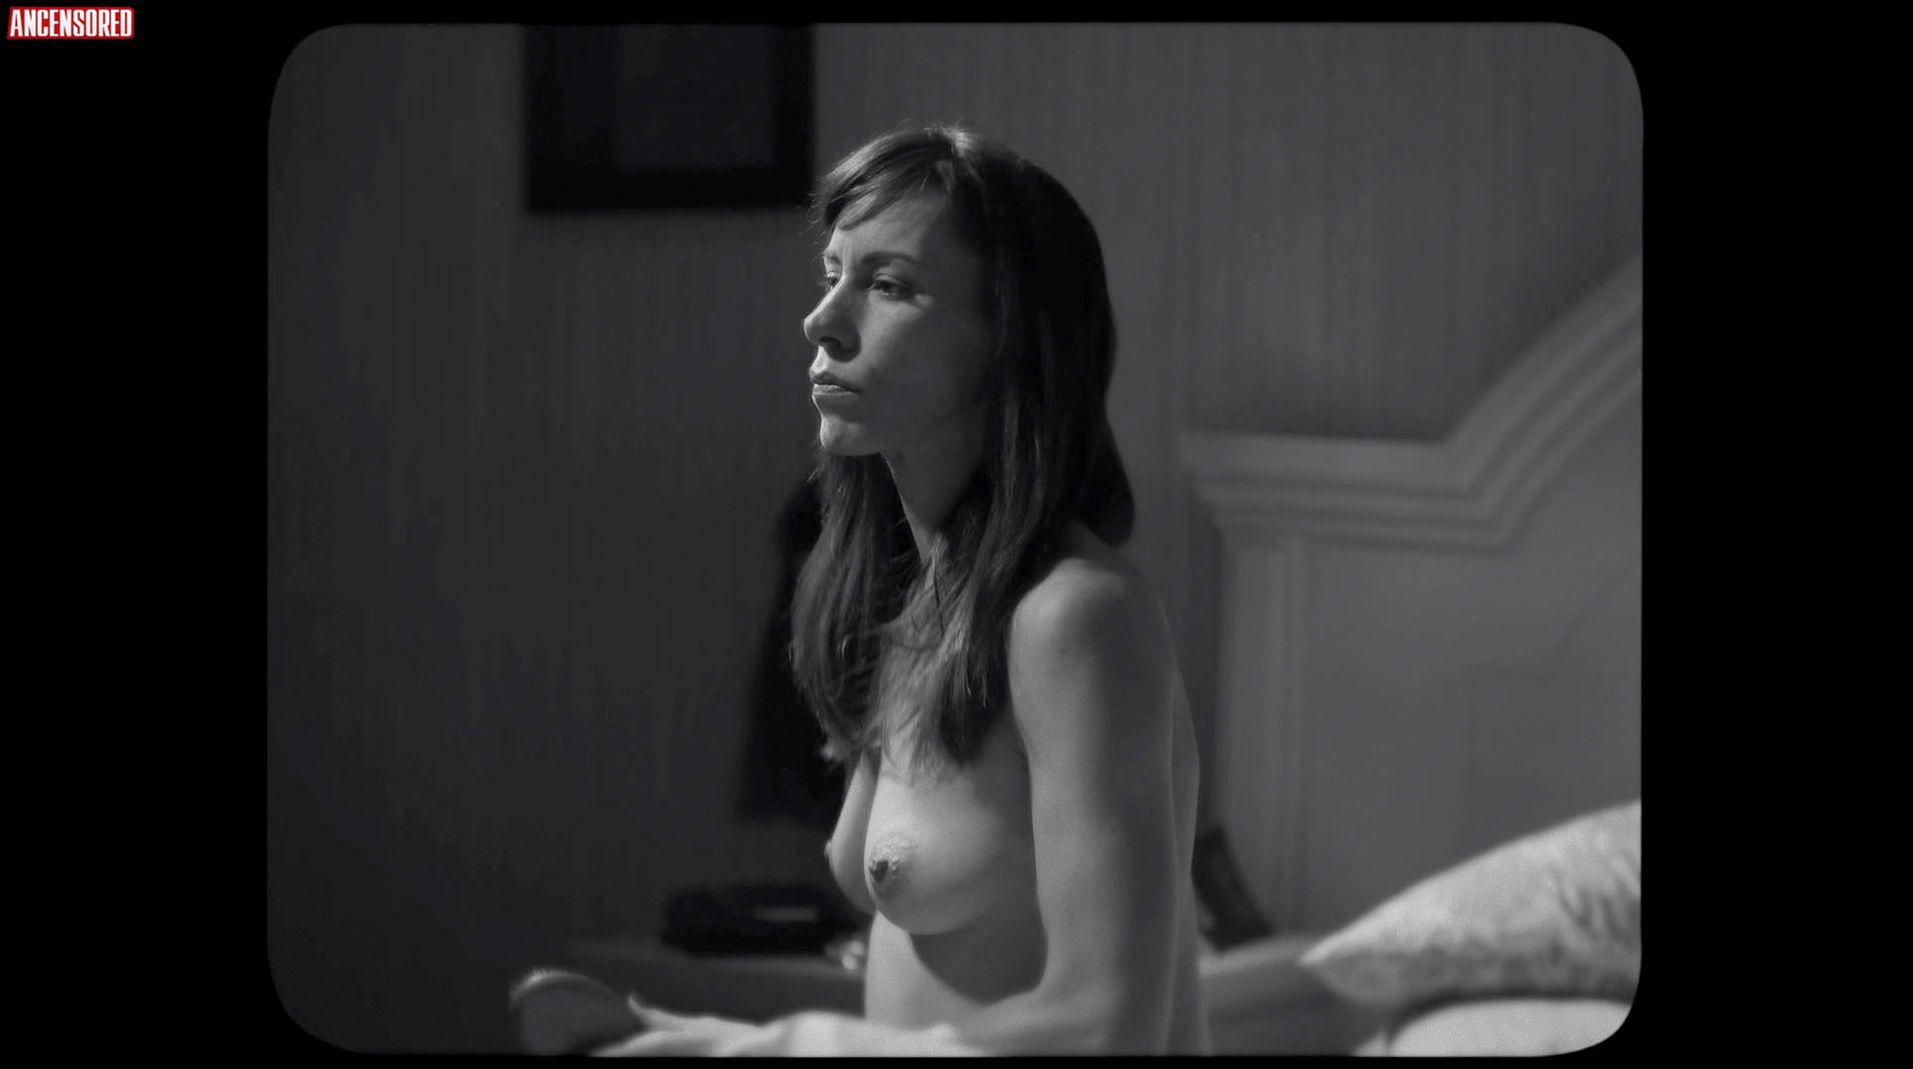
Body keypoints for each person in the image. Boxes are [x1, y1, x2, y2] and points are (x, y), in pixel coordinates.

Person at [598, 123, 1208, 1056]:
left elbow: (1105, 1024)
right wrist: (698, 1037)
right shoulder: (917, 601)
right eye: (831, 273)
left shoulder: (1077, 616)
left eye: (887, 285)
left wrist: (780, 1050)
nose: (822, 319)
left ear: (1009, 339)